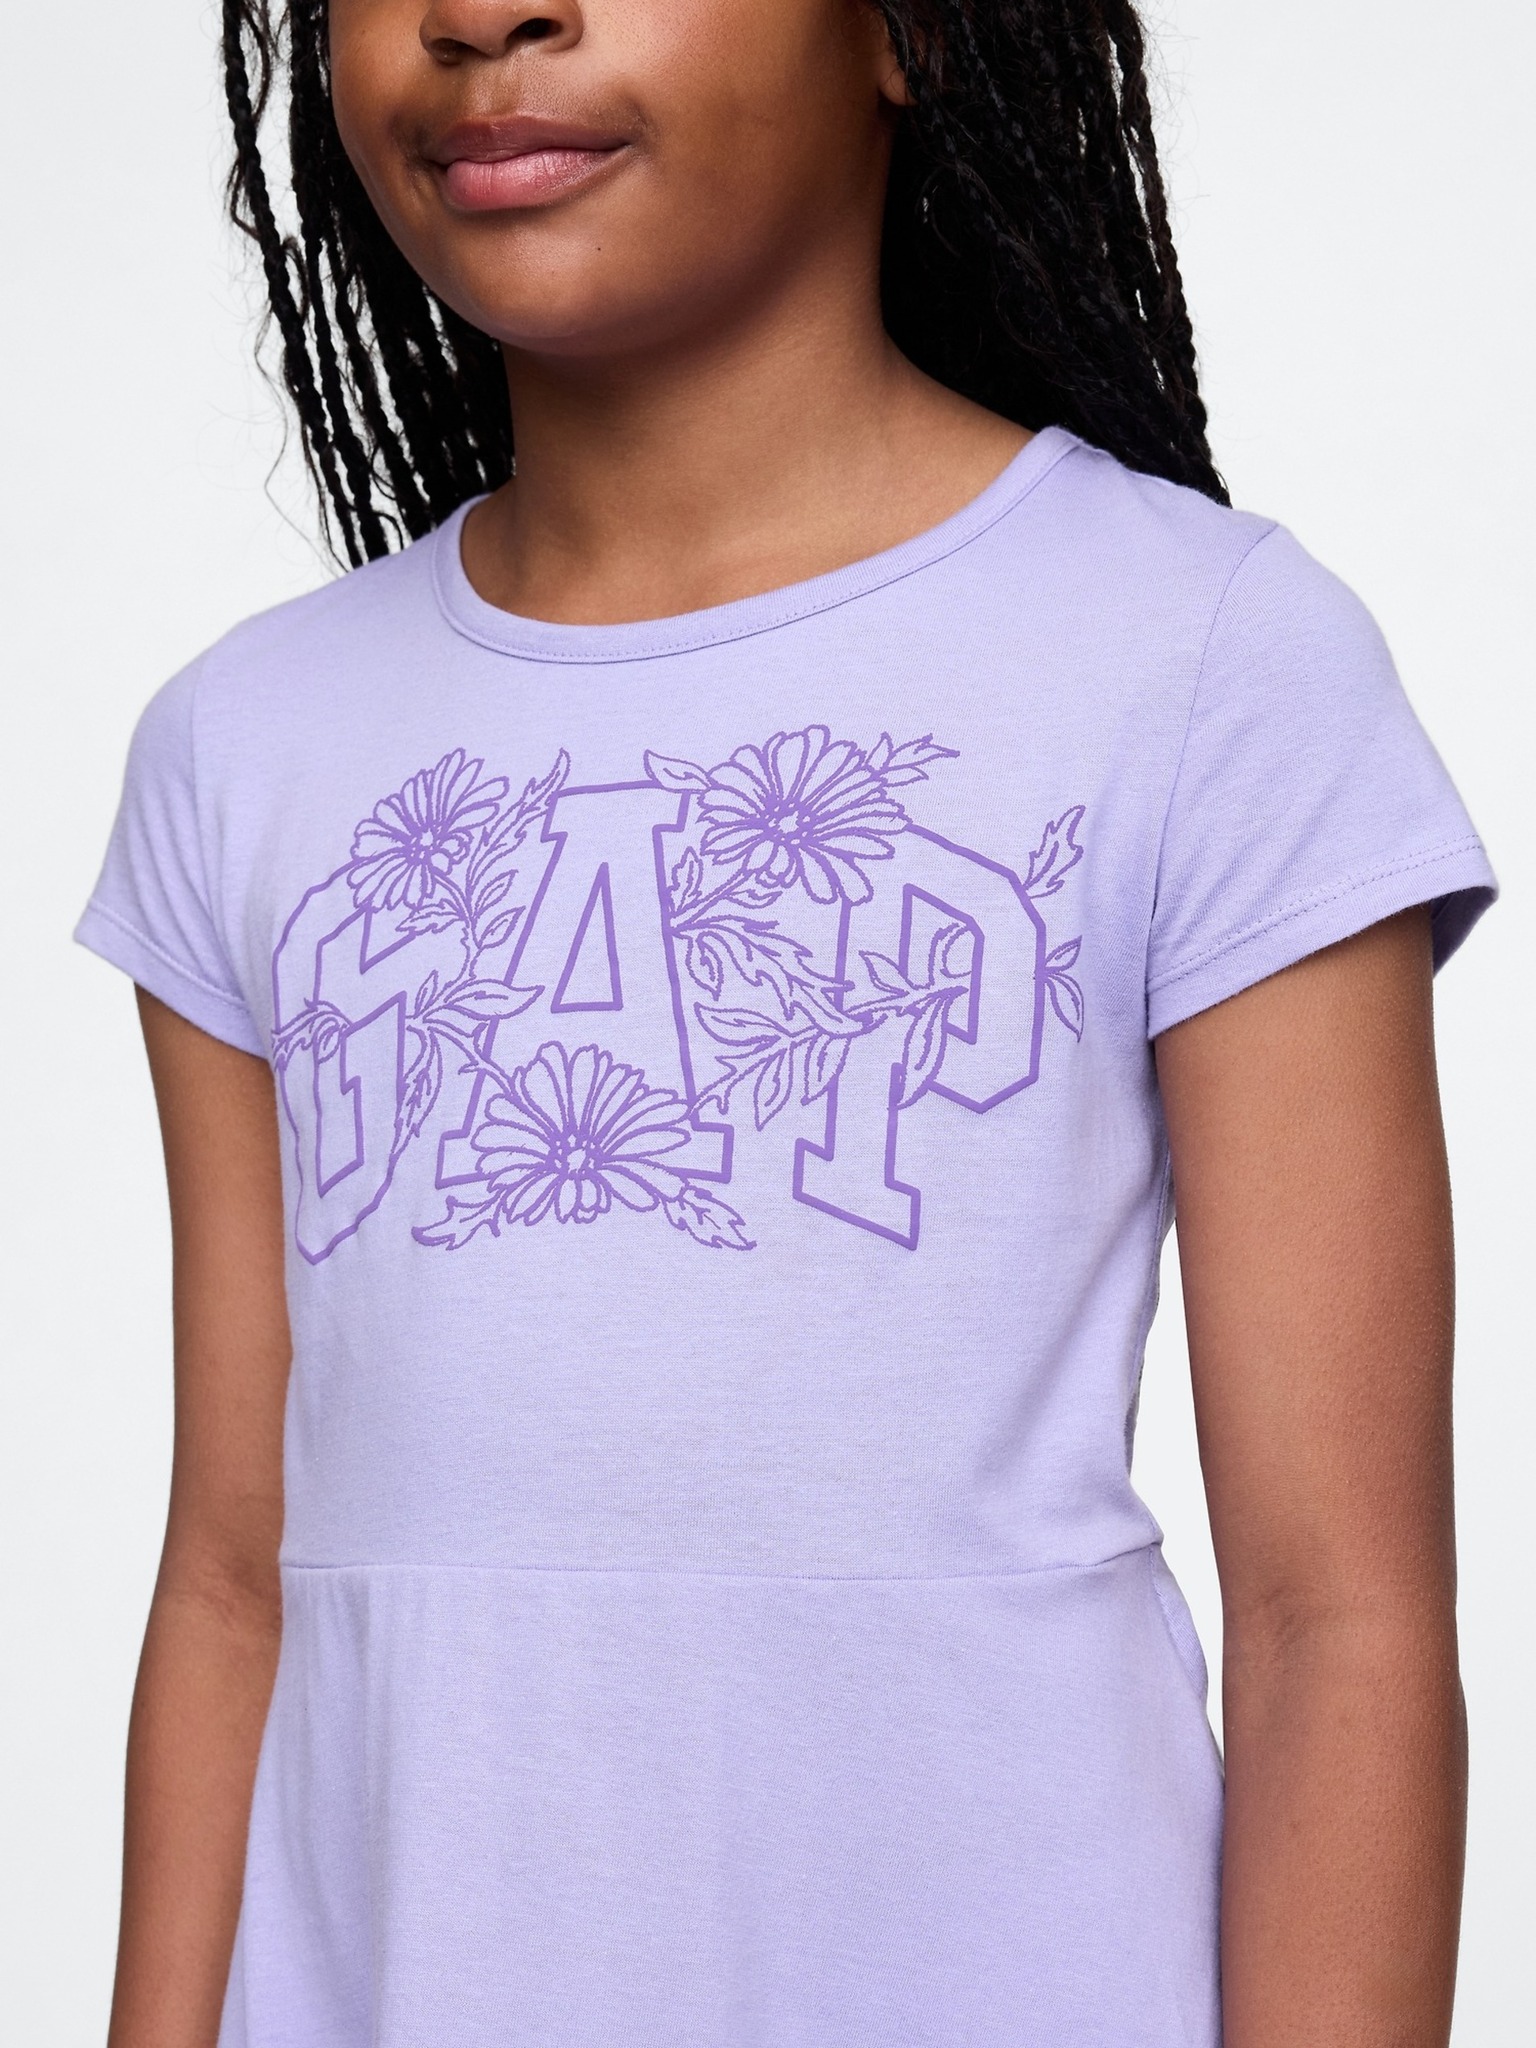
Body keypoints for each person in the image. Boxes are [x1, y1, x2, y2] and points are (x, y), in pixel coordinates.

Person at [76, 2, 1495, 2044]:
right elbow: (231, 1581)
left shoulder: (1205, 657)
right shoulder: (248, 741)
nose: (481, 15)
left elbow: (1334, 1619)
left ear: (909, 30)